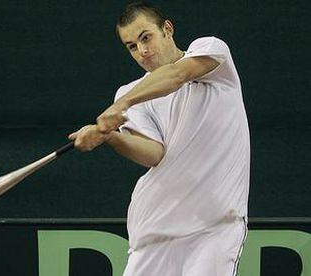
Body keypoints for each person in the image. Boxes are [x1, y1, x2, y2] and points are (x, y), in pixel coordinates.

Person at [68, 2, 250, 275]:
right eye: (132, 46)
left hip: (215, 229)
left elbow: (176, 75)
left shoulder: (211, 52)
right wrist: (108, 137)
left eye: (146, 37)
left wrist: (122, 106)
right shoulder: (129, 93)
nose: (142, 51)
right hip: (154, 229)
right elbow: (154, 154)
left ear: (167, 29)